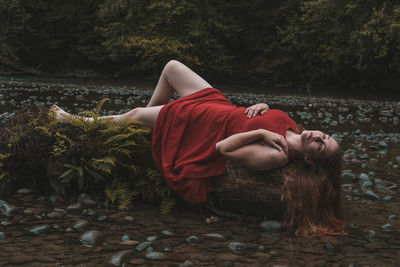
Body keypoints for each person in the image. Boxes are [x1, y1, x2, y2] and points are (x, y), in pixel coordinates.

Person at [51, 60, 344, 236]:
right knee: (171, 68)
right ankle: (143, 123)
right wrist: (264, 106)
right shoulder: (293, 126)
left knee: (137, 115)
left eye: (320, 146)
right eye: (325, 136)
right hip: (219, 106)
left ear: (308, 160)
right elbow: (265, 116)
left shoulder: (277, 155)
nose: (319, 137)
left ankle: (77, 120)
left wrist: (262, 133)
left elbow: (223, 148)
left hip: (204, 127)